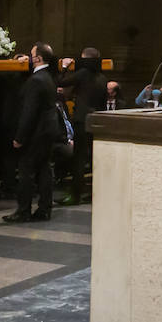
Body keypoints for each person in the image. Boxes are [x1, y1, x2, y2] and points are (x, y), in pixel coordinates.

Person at [4, 42, 61, 223]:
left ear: (37, 58)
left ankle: (23, 210)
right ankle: (45, 208)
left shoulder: (36, 80)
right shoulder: (49, 76)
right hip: (49, 130)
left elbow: (29, 112)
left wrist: (20, 137)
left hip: (36, 132)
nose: (28, 58)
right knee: (44, 169)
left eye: (31, 55)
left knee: (26, 171)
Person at [57, 48, 109, 205]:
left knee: (78, 159)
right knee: (95, 158)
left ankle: (75, 195)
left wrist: (64, 67)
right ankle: (95, 193)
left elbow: (60, 82)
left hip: (82, 120)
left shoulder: (83, 73)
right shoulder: (102, 77)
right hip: (97, 120)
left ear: (84, 59)